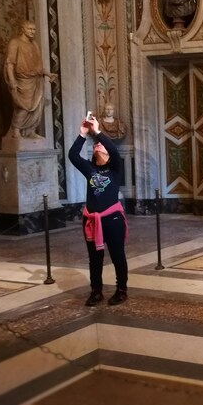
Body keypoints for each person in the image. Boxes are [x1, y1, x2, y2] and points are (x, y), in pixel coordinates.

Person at [68, 113, 129, 307]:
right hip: (92, 220)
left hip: (112, 219)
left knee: (117, 255)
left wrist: (98, 132)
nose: (97, 145)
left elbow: (114, 150)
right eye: (95, 145)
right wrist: (82, 134)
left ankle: (121, 290)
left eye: (100, 144)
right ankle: (96, 291)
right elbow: (72, 155)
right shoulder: (89, 169)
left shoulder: (115, 168)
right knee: (95, 258)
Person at [4, 20, 57, 139]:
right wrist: (12, 79)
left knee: (37, 106)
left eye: (34, 29)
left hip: (36, 80)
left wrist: (48, 74)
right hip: (22, 80)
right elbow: (10, 63)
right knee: (24, 106)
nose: (33, 31)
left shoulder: (34, 45)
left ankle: (30, 131)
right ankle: (16, 130)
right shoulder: (15, 43)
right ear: (23, 29)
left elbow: (38, 66)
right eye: (30, 29)